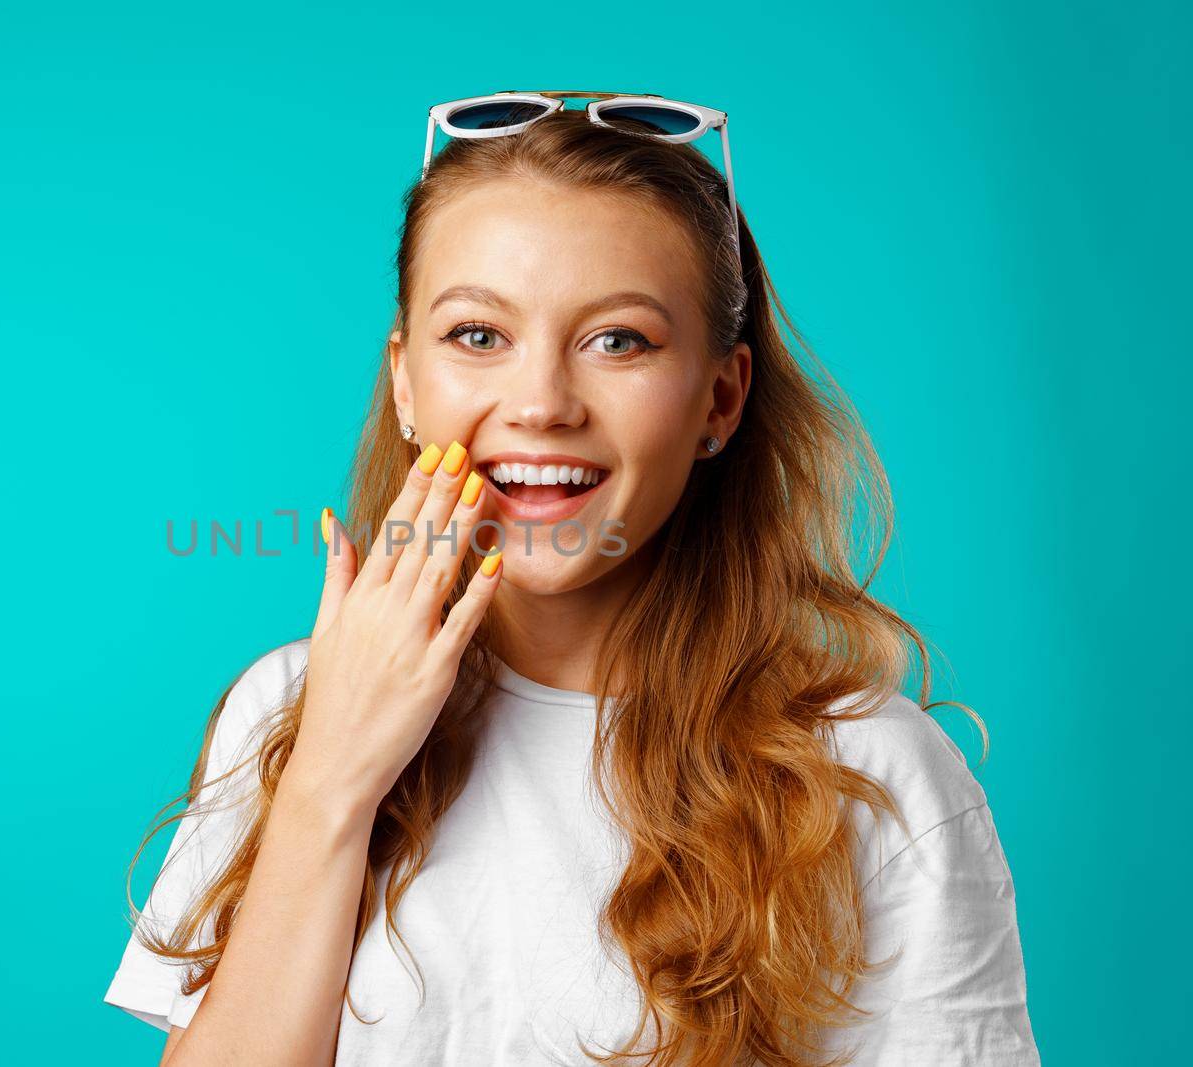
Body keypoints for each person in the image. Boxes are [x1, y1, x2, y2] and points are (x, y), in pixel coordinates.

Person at [103, 92, 1041, 1066]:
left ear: (719, 397)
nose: (542, 403)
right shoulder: (287, 709)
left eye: (617, 340)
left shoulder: (872, 771)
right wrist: (330, 781)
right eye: (477, 335)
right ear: (407, 384)